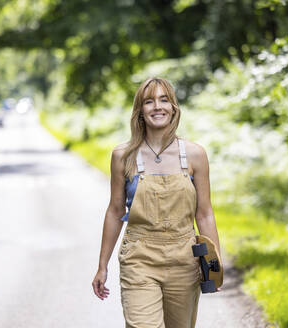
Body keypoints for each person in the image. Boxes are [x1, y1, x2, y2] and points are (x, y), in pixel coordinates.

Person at [91, 77, 221, 328]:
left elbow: (204, 214)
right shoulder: (124, 155)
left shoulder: (195, 155)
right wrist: (102, 266)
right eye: (149, 102)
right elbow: (115, 211)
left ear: (173, 108)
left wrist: (215, 265)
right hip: (139, 257)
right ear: (140, 111)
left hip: (184, 258)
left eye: (164, 100)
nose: (157, 107)